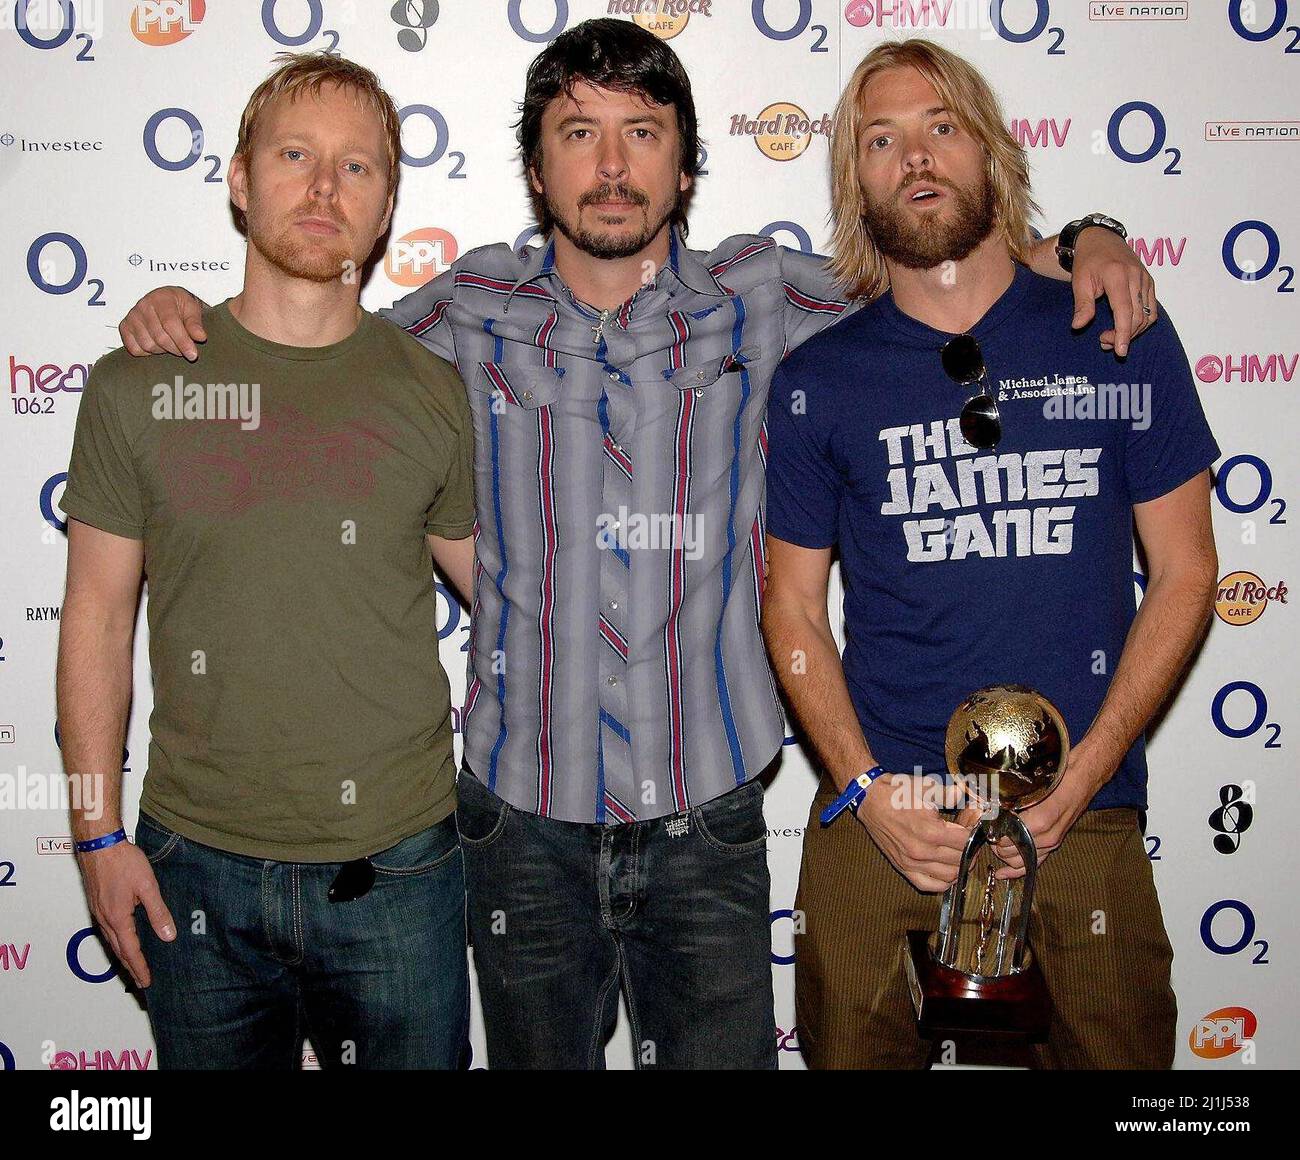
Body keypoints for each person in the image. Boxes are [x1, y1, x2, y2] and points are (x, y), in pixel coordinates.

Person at [113, 20, 1159, 1069]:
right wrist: (184, 314)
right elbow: (310, 334)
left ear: (687, 165)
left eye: (643, 133)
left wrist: (1083, 241)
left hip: (706, 820)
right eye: (578, 133)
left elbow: (942, 266)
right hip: (517, 822)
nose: (611, 166)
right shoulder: (462, 313)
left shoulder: (764, 295)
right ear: (534, 166)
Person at [761, 39, 1219, 1069]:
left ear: (992, 152)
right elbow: (789, 608)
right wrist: (865, 788)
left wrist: (1085, 777)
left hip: (1083, 809)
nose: (914, 157)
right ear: (854, 181)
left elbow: (1186, 574)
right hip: (881, 810)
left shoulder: (1114, 330)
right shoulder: (819, 377)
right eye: (880, 139)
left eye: (940, 127)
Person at [57, 53, 476, 1070]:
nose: (324, 188)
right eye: (295, 155)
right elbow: (96, 622)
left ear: (385, 211)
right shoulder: (137, 384)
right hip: (191, 863)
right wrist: (95, 835)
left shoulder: (434, 391)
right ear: (240, 181)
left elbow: (513, 597)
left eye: (357, 167)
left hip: (401, 865)